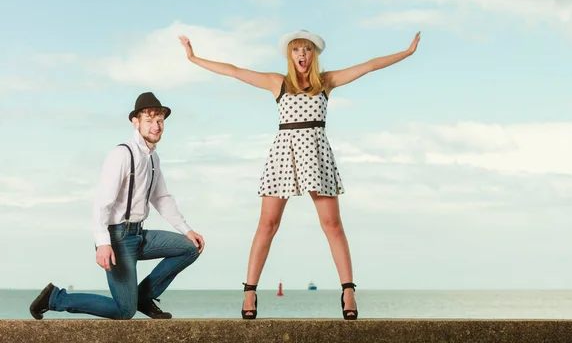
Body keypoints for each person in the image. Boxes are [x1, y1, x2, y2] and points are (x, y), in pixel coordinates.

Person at [178, 29, 420, 320]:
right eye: (296, 50)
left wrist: (406, 53)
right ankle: (250, 291)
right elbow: (234, 71)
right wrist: (193, 58)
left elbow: (368, 66)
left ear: (313, 54)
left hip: (317, 154)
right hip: (284, 153)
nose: (301, 55)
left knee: (332, 224)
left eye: (306, 50)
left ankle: (348, 291)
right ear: (289, 55)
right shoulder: (277, 83)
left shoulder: (326, 82)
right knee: (267, 224)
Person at [29, 92, 205, 320]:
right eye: (149, 120)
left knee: (190, 247)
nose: (156, 126)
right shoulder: (122, 154)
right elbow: (103, 202)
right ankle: (55, 298)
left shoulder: (153, 157)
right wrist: (103, 243)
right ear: (136, 122)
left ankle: (144, 296)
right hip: (118, 239)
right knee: (125, 311)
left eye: (160, 120)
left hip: (139, 234)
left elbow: (161, 198)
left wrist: (187, 230)